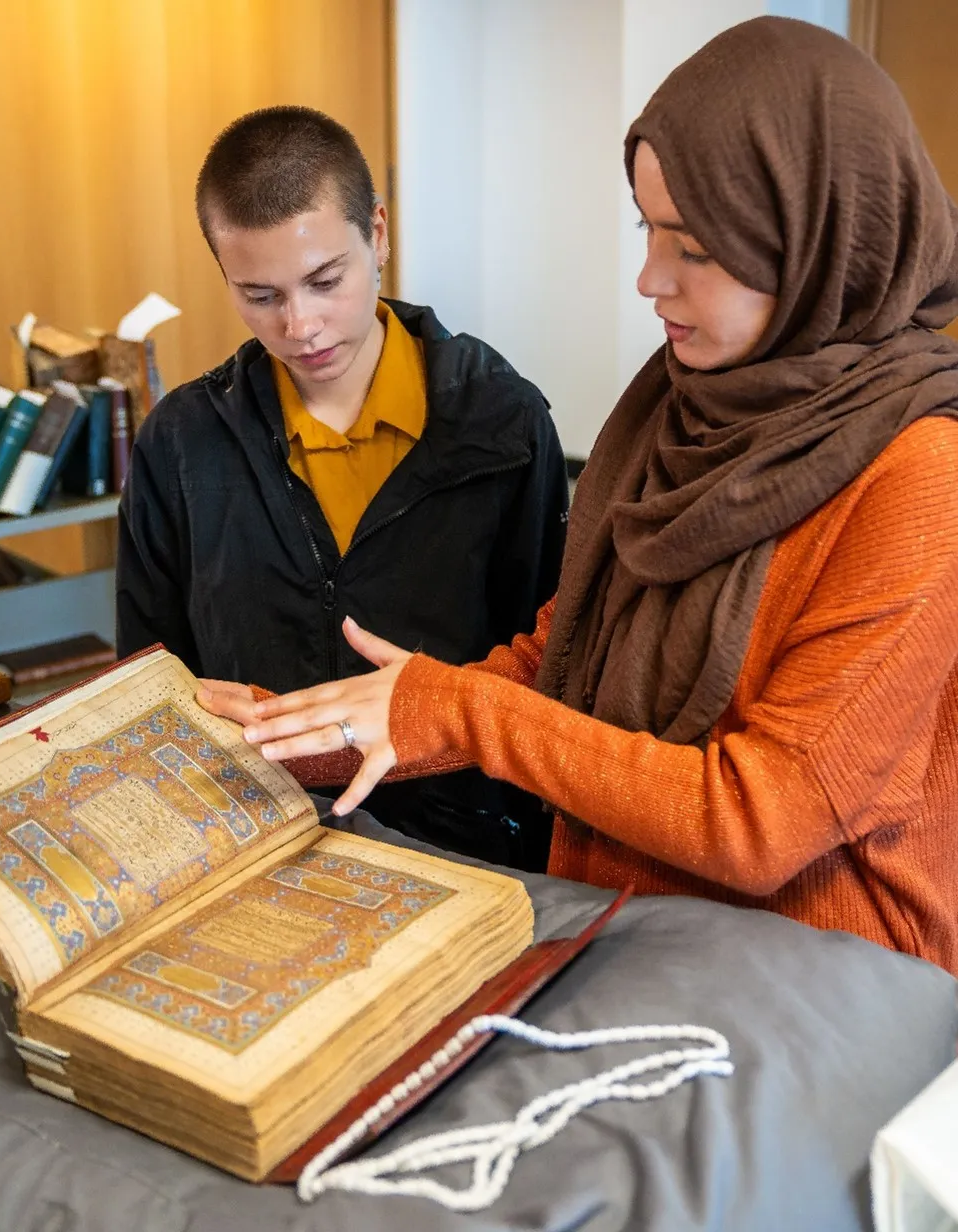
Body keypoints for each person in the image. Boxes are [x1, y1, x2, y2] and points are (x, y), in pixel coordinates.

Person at [199, 18, 958, 974]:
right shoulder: (677, 413)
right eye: (649, 231)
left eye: (697, 251)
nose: (649, 280)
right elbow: (561, 663)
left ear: (821, 242)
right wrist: (289, 732)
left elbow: (763, 820)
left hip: (824, 975)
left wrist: (460, 712)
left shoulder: (921, 475)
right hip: (628, 919)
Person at [117, 106, 568, 870]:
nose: (302, 325)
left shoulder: (503, 425)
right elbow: (147, 677)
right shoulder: (180, 444)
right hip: (250, 838)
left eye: (326, 280)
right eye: (260, 295)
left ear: (380, 235)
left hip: (467, 846)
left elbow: (546, 667)